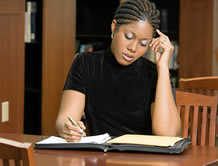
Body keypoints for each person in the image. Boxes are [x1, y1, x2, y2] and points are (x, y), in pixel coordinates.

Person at [55, 0, 181, 142]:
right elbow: (65, 118)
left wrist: (163, 67)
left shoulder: (155, 74)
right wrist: (68, 129)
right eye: (128, 36)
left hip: (144, 158)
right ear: (114, 27)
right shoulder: (86, 63)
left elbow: (167, 135)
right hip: (101, 157)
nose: (133, 48)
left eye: (143, 43)